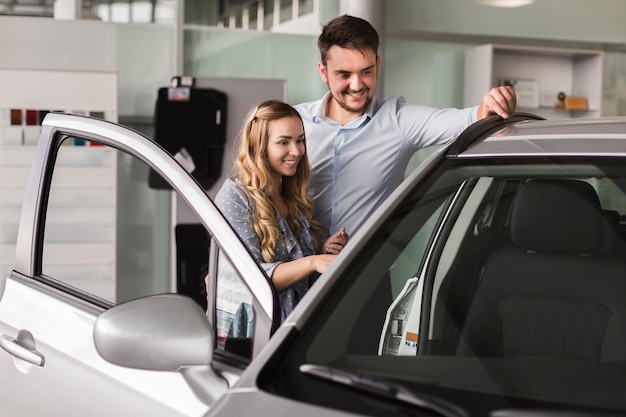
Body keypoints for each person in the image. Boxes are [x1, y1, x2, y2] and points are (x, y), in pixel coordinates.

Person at [295, 14, 518, 237]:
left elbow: (468, 120)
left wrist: (494, 101)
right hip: (294, 267)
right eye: (344, 74)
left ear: (378, 65)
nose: (357, 85)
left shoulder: (398, 120)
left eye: (366, 72)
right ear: (323, 72)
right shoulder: (295, 123)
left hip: (363, 271)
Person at [215, 100, 348, 323]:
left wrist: (322, 250)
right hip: (253, 334)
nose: (296, 151)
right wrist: (313, 262)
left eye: (300, 140)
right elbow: (247, 277)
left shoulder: (291, 192)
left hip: (294, 328)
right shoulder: (234, 196)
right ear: (259, 146)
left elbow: (294, 263)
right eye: (283, 142)